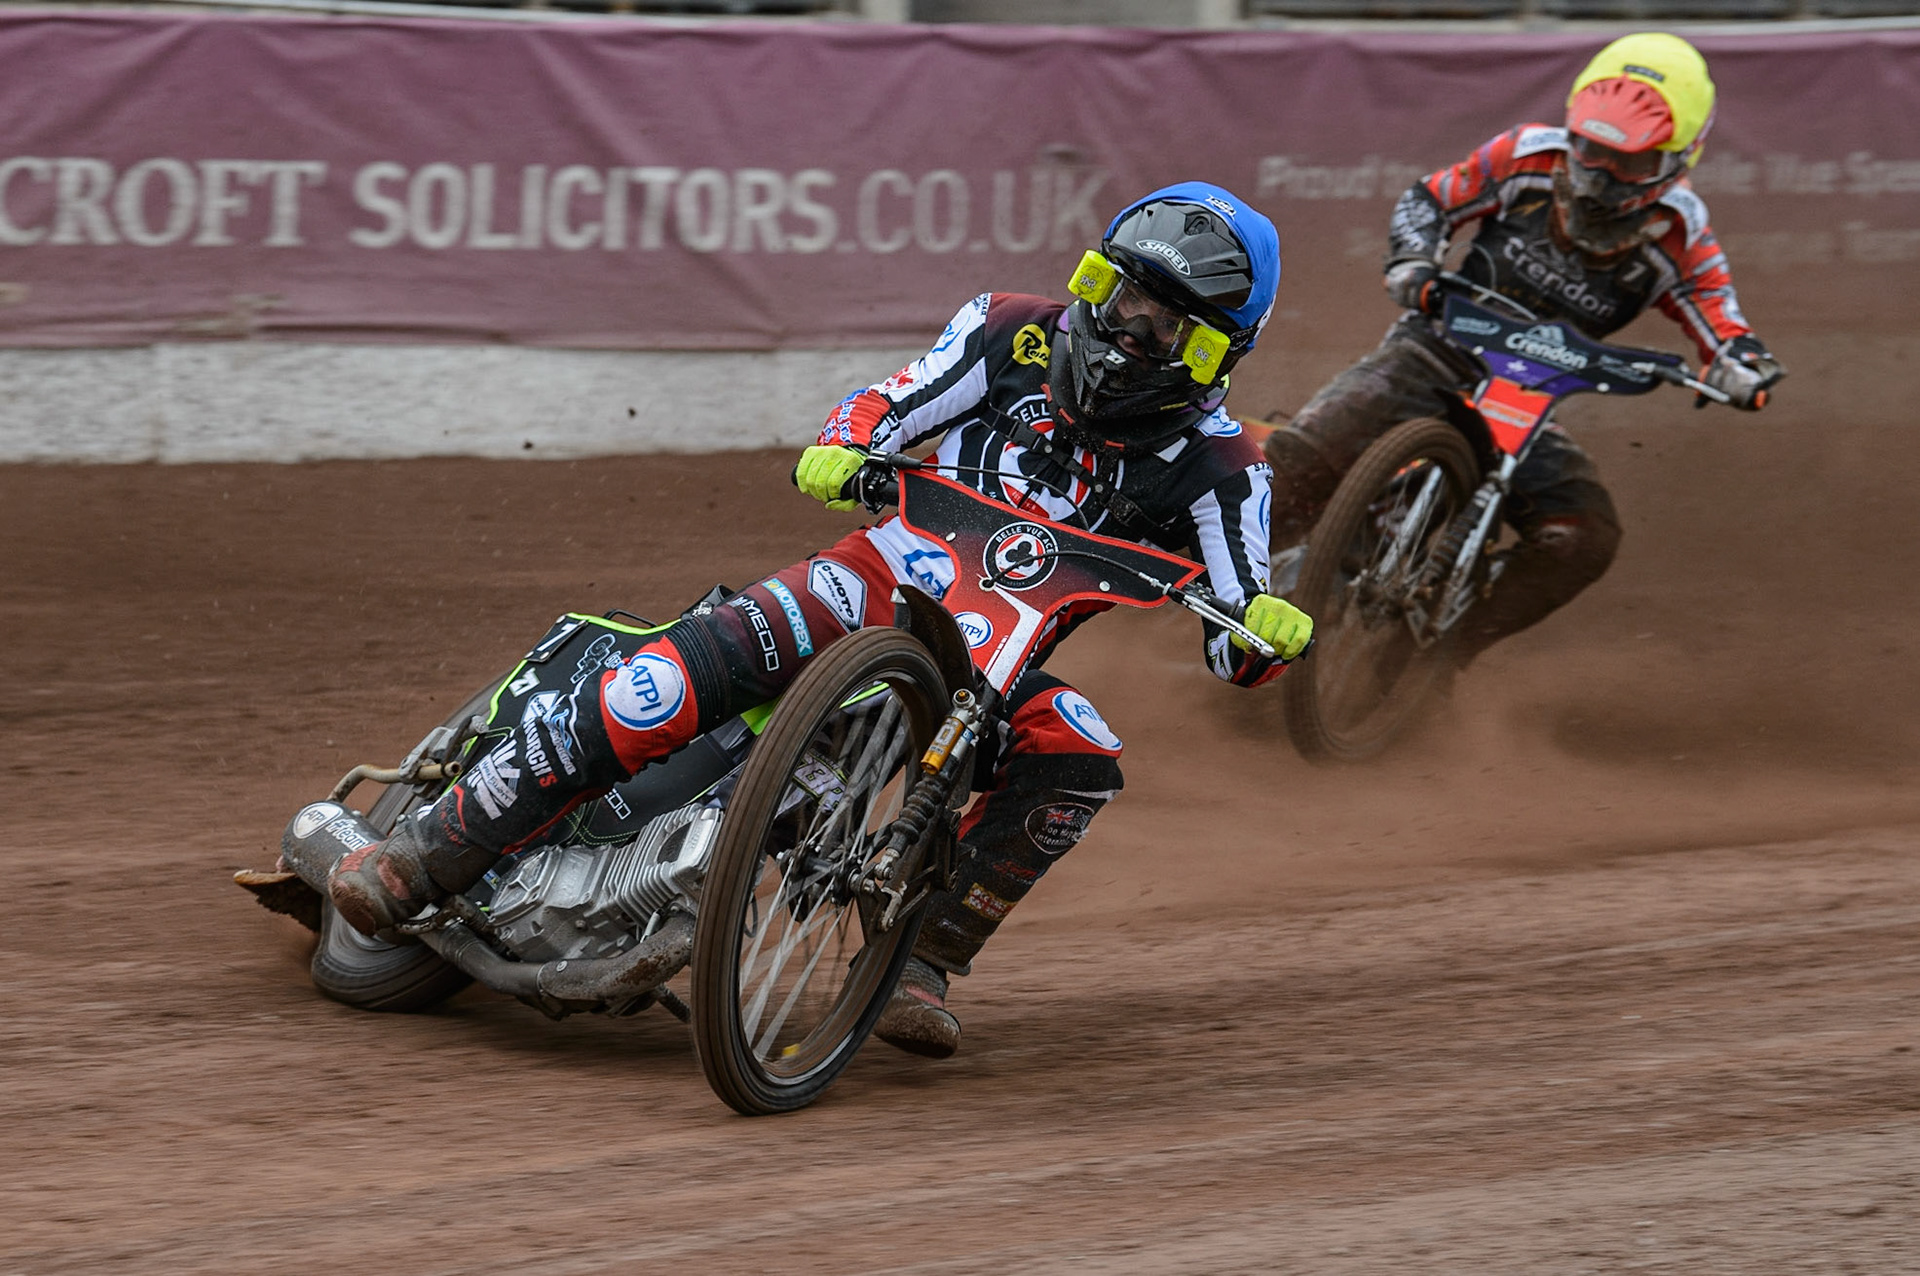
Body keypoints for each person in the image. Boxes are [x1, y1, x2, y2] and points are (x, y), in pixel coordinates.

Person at [328, 181, 1313, 1059]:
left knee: (1083, 755)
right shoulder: (1007, 330)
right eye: (1118, 293)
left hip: (992, 675)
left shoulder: (1228, 470)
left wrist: (1268, 632)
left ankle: (921, 963)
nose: (1126, 327)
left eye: (1162, 325)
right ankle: (423, 856)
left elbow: (1237, 633)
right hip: (864, 585)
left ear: (1216, 352)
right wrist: (846, 447)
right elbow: (893, 402)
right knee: (654, 688)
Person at [1262, 32, 1784, 666]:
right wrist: (1413, 263)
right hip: (1434, 349)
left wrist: (1742, 367)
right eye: (1591, 150)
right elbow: (1430, 199)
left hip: (1529, 403)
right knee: (1292, 466)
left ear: (1680, 161)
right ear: (1574, 128)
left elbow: (1721, 318)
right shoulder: (1527, 156)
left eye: (1631, 164)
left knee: (1583, 537)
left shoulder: (1681, 233)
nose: (1601, 176)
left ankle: (1433, 659)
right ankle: (1198, 586)